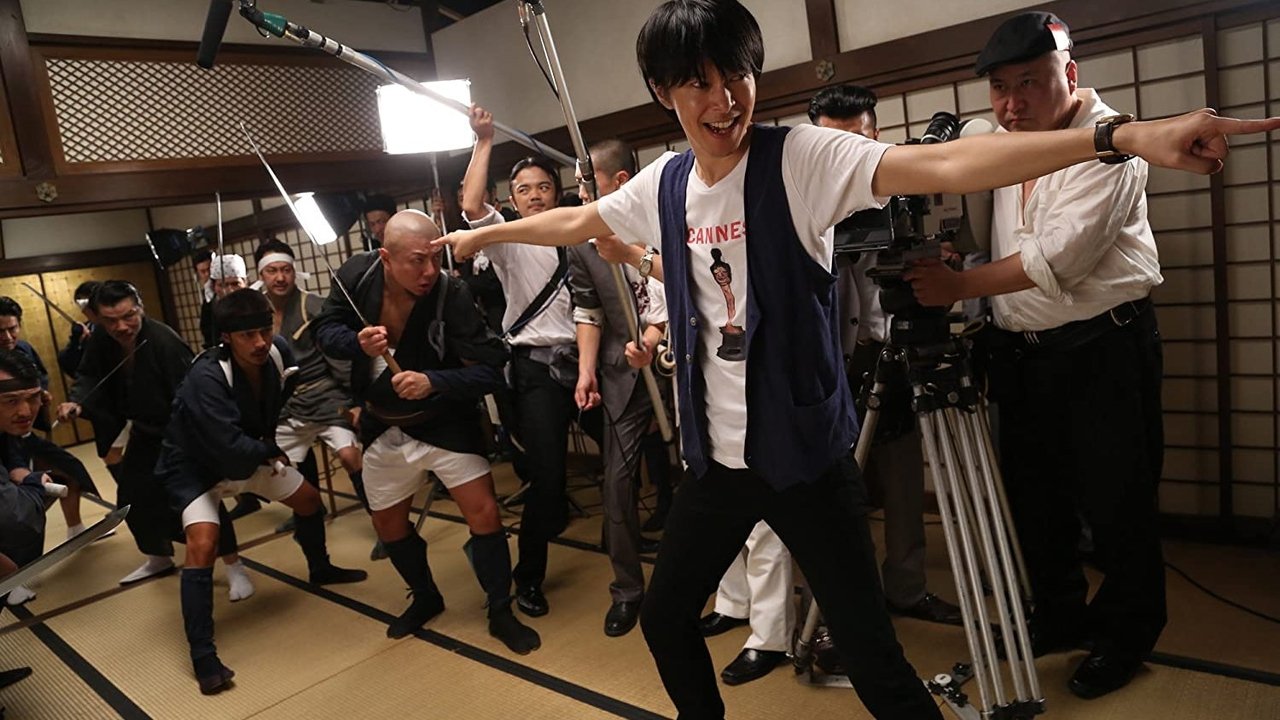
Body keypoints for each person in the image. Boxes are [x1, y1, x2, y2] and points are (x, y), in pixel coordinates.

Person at [437, 3, 1272, 716]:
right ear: (663, 92)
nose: (725, 100)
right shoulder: (663, 183)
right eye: (698, 83)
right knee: (665, 619)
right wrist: (483, 237)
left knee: (873, 659)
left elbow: (943, 161)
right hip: (716, 465)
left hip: (805, 459)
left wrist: (1122, 136)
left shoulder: (802, 157)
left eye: (738, 75)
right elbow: (580, 222)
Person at [903, 11, 1167, 699]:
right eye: (999, 87)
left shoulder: (1113, 141)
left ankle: (1126, 636)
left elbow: (1059, 259)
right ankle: (1056, 615)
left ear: (1068, 75)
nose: (1012, 103)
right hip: (1019, 353)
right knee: (1033, 502)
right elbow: (991, 235)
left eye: (1029, 82)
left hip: (1102, 346)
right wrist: (958, 257)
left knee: (1117, 505)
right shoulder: (1001, 145)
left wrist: (959, 287)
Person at [312, 210, 540, 655]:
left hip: (444, 420)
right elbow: (325, 330)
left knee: (485, 513)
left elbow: (492, 370)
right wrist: (356, 342)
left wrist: (434, 381)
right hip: (383, 421)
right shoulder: (357, 276)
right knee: (388, 524)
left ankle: (500, 609)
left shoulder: (450, 294)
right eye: (417, 261)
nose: (429, 271)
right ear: (385, 257)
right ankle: (425, 596)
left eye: (436, 258)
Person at [158, 289, 366, 695]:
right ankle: (203, 653)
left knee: (309, 500)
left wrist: (267, 444)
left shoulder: (278, 352)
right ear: (226, 337)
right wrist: (270, 450)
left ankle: (320, 568)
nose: (259, 343)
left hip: (249, 452)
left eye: (264, 331)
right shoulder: (206, 377)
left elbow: (277, 400)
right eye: (246, 335)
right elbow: (225, 444)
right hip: (196, 467)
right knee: (203, 543)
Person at [808, 84, 962, 626]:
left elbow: (951, 263)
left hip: (899, 355)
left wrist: (944, 262)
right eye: (832, 146)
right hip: (830, 367)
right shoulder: (803, 202)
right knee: (833, 499)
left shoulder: (905, 188)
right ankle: (843, 614)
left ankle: (908, 587)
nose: (847, 159)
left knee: (903, 484)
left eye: (858, 142)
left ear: (877, 137)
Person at [460, 107, 603, 624]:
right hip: (537, 370)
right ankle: (529, 578)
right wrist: (484, 142)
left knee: (627, 454)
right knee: (547, 478)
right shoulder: (507, 239)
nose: (535, 195)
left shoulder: (581, 229)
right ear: (513, 199)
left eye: (543, 187)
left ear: (556, 192)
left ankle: (628, 549)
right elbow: (471, 206)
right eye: (524, 189)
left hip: (589, 360)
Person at [58, 282, 249, 594]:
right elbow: (89, 375)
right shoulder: (102, 339)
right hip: (144, 432)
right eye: (111, 320)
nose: (121, 326)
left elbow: (194, 393)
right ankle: (158, 556)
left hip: (181, 433)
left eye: (129, 316)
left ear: (140, 308)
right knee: (132, 498)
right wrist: (77, 402)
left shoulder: (164, 341)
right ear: (99, 318)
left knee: (202, 499)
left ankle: (234, 567)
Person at [566, 138, 669, 636]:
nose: (580, 196)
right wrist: (586, 370)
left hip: (681, 362)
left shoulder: (664, 218)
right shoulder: (582, 240)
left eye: (587, 185)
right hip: (621, 370)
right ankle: (627, 590)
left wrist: (654, 335)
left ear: (620, 182)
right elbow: (587, 310)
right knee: (617, 482)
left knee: (706, 474)